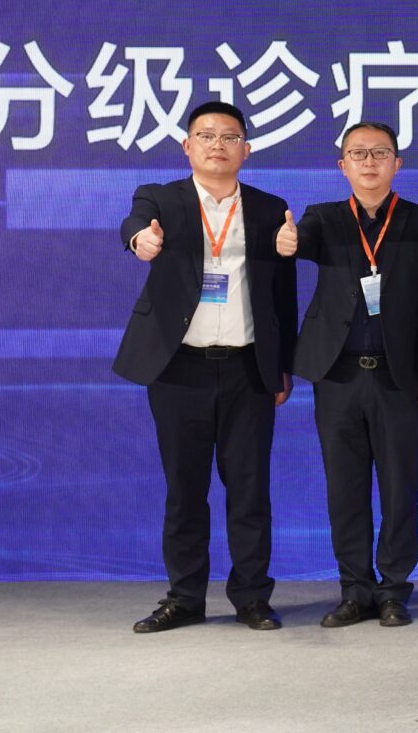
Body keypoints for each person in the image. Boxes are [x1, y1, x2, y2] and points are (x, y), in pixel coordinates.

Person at [117, 101, 298, 633]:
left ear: (247, 149)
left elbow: (281, 295)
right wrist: (140, 240)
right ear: (187, 146)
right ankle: (184, 598)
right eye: (206, 135)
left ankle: (252, 597)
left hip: (247, 370)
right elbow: (134, 225)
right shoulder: (160, 199)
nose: (218, 145)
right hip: (178, 369)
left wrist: (282, 365)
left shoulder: (270, 209)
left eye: (229, 136)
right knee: (184, 490)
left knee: (249, 490)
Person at [287, 121, 418, 629]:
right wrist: (288, 240)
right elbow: (302, 242)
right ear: (343, 165)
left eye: (380, 153)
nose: (369, 162)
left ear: (397, 163)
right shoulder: (322, 218)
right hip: (337, 376)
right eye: (358, 153)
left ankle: (393, 590)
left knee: (401, 488)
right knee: (345, 488)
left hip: (399, 377)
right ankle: (354, 591)